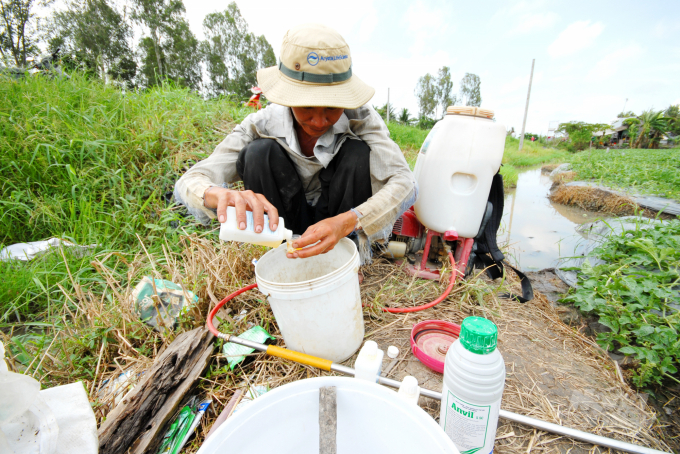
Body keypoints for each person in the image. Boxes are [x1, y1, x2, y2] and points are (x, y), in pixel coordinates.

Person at [174, 23, 417, 263]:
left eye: (332, 107)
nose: (320, 121)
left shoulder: (361, 118)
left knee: (357, 154)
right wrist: (217, 194)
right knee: (258, 153)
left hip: (339, 219)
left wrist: (350, 220)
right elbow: (190, 181)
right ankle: (279, 256)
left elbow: (405, 182)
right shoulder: (263, 124)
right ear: (288, 98)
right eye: (307, 106)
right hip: (283, 221)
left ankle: (344, 257)